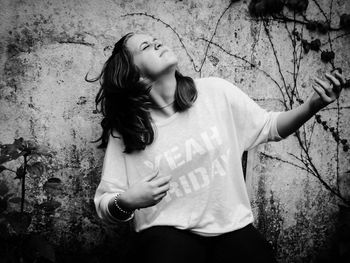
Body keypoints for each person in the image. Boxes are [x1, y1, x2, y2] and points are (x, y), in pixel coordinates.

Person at [88, 32, 345, 263]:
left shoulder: (215, 92)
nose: (157, 42)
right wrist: (129, 200)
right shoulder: (129, 129)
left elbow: (269, 126)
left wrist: (312, 106)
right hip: (166, 237)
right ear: (135, 74)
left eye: (155, 39)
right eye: (145, 46)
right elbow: (106, 203)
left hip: (232, 230)